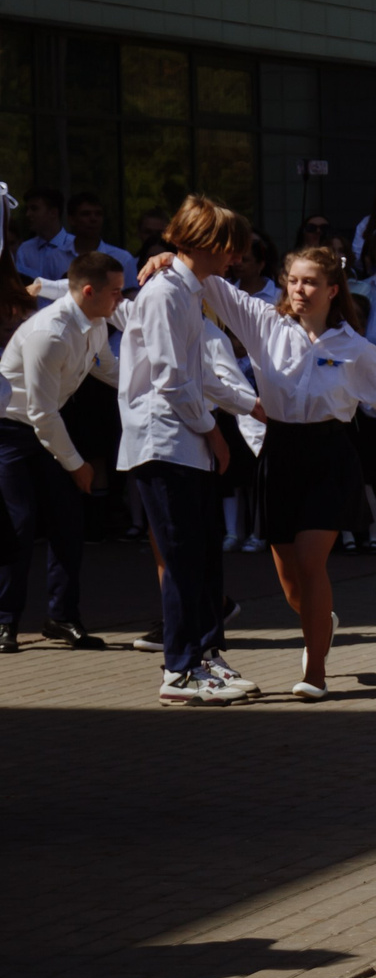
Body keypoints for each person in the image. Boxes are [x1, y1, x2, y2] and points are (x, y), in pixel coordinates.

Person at [195, 244, 376, 698]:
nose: (300, 290)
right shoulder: (263, 322)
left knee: (309, 561)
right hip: (279, 454)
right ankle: (321, 622)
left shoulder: (355, 349)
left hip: (328, 455)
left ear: (333, 289)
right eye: (294, 280)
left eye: (312, 282)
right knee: (290, 583)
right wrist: (170, 258)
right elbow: (207, 281)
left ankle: (315, 670)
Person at [121, 197, 254, 704]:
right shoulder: (164, 293)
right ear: (207, 245)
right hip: (164, 441)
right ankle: (179, 670)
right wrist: (216, 431)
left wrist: (248, 405)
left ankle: (205, 655)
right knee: (180, 559)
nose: (235, 260)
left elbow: (197, 372)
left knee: (201, 556)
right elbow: (172, 380)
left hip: (186, 441)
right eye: (230, 250)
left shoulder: (187, 288)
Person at [0, 250, 125, 649]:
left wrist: (155, 392)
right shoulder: (49, 333)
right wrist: (77, 465)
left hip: (48, 428)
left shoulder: (96, 322)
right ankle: (5, 621)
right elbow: (41, 412)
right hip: (11, 432)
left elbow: (109, 369)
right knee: (17, 525)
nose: (121, 300)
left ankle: (62, 617)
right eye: (116, 292)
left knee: (68, 523)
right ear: (89, 291)